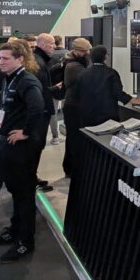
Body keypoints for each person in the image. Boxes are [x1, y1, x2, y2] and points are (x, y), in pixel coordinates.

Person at [0, 40, 47, 263]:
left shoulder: (27, 81)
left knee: (24, 194)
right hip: (8, 145)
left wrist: (26, 132)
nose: (0, 62)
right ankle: (15, 229)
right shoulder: (9, 78)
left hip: (22, 148)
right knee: (15, 191)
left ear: (20, 59)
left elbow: (37, 108)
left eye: (5, 58)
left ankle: (25, 242)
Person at [74, 45, 140, 130]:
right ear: (105, 57)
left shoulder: (83, 74)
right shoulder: (111, 73)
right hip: (107, 120)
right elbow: (119, 94)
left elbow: (76, 95)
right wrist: (138, 100)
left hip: (87, 118)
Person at [58, 38, 92, 177]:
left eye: (88, 51)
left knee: (74, 138)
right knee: (74, 139)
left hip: (74, 104)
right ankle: (72, 169)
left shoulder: (71, 62)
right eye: (84, 51)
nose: (87, 53)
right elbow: (88, 80)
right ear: (76, 50)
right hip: (73, 106)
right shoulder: (73, 66)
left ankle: (72, 168)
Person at [34, 33, 61, 145]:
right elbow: (39, 90)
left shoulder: (39, 59)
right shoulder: (39, 63)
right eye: (52, 44)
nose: (54, 46)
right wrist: (54, 88)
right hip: (41, 108)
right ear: (43, 45)